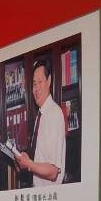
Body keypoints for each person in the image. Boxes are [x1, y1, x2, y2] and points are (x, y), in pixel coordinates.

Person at [14, 58, 66, 186]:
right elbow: (41, 156)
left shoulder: (54, 114)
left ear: (49, 81)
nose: (36, 88)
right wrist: (27, 158)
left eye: (40, 82)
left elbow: (53, 172)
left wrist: (29, 164)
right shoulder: (41, 113)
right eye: (34, 84)